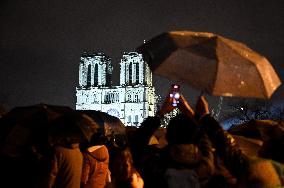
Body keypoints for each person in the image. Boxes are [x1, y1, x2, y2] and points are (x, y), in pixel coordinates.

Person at [129, 88, 215, 188]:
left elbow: (137, 143)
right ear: (195, 137)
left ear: (167, 136)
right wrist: (192, 113)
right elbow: (205, 140)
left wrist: (161, 113)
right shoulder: (205, 168)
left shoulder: (157, 166)